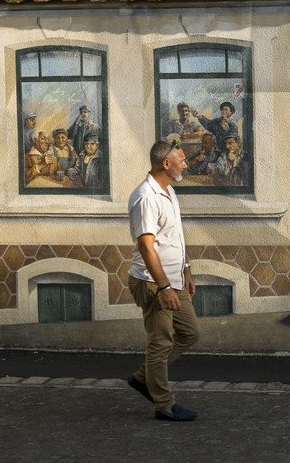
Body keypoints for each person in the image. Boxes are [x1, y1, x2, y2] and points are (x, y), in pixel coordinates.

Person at [127, 139, 199, 422]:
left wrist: (187, 269)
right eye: (181, 159)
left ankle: (144, 378)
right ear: (165, 164)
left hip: (174, 280)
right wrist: (164, 287)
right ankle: (164, 405)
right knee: (160, 343)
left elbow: (175, 236)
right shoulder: (146, 197)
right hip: (153, 283)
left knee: (190, 332)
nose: (186, 163)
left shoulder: (168, 191)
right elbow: (146, 246)